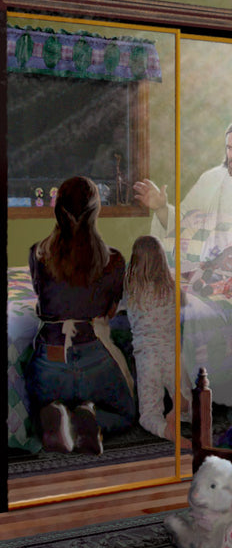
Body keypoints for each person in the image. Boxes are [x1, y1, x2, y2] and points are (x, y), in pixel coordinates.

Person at [25, 176, 136, 455]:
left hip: (50, 359)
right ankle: (88, 417)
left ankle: (53, 415)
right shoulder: (115, 260)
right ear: (96, 210)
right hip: (92, 356)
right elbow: (110, 312)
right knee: (127, 413)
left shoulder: (37, 254)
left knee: (37, 407)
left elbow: (44, 294)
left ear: (56, 209)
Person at [133, 118, 232, 296]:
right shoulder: (210, 180)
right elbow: (181, 222)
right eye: (229, 148)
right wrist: (161, 208)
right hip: (203, 269)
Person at [124, 235, 190, 445]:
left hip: (147, 358)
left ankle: (166, 430)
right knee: (194, 404)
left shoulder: (131, 288)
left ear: (134, 261)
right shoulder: (171, 288)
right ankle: (181, 407)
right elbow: (185, 301)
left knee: (148, 415)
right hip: (172, 356)